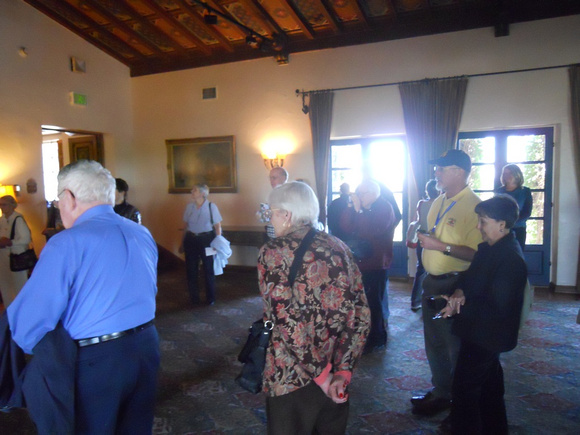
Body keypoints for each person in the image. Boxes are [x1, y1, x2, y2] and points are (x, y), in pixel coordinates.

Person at [7, 160, 160, 433]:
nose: (58, 206)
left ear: (69, 196)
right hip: (147, 346)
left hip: (98, 360)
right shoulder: (141, 232)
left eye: (58, 199)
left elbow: (29, 322)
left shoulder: (66, 242)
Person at [258, 181, 370, 434]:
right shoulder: (339, 246)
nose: (270, 219)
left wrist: (322, 376)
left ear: (286, 215)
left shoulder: (273, 251)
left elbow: (285, 320)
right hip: (335, 373)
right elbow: (360, 313)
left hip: (291, 378)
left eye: (271, 212)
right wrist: (342, 371)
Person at [436, 195, 527, 434]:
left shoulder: (510, 259)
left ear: (502, 225)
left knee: (465, 391)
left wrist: (459, 306)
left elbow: (497, 307)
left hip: (487, 336)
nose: (478, 226)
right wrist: (458, 292)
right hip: (480, 333)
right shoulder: (490, 249)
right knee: (490, 388)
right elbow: (470, 278)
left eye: (483, 221)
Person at [413, 149, 482, 416]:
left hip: (454, 285)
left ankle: (459, 403)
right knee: (434, 342)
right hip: (431, 282)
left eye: (442, 168)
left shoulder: (474, 206)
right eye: (436, 168)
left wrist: (440, 246)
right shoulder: (439, 200)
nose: (436, 172)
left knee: (454, 346)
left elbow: (477, 255)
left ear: (460, 172)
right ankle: (441, 392)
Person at [340, 179, 395, 353]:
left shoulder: (384, 208)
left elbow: (370, 231)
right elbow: (345, 226)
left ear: (373, 193)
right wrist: (351, 208)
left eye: (361, 193)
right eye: (357, 193)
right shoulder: (361, 208)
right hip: (359, 262)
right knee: (359, 302)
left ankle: (377, 338)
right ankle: (363, 334)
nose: (358, 196)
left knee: (374, 302)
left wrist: (359, 211)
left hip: (376, 263)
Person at [181, 183, 222, 305]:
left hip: (207, 239)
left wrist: (218, 242)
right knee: (191, 269)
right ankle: (194, 298)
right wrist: (182, 242)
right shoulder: (189, 207)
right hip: (191, 239)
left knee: (208, 268)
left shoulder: (211, 206)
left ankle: (210, 298)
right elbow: (185, 226)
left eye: (195, 190)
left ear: (202, 193)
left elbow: (217, 226)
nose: (192, 192)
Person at [408, 180, 439, 311]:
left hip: (421, 238)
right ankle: (432, 300)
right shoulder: (441, 204)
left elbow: (416, 220)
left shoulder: (421, 203)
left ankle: (415, 301)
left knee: (420, 269)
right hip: (435, 240)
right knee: (436, 270)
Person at [0, 195, 32, 308]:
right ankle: (10, 310)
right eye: (0, 204)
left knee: (19, 285)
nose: (2, 207)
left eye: (4, 204)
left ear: (12, 205)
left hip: (16, 257)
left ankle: (24, 309)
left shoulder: (18, 219)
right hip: (3, 257)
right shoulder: (2, 219)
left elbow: (26, 238)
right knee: (5, 285)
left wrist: (10, 242)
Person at [496, 164, 532, 250]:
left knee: (517, 256)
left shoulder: (525, 191)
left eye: (510, 173)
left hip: (518, 230)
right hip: (501, 230)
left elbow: (527, 212)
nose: (506, 176)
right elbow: (495, 210)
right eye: (505, 173)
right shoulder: (499, 191)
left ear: (517, 174)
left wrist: (511, 222)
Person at [261, 167, 289, 239]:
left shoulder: (289, 194)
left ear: (284, 178)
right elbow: (265, 217)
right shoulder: (272, 194)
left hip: (284, 237)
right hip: (272, 237)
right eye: (270, 178)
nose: (271, 181)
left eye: (274, 178)